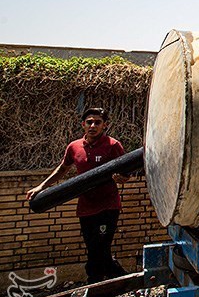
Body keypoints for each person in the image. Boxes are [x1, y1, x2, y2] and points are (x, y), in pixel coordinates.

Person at [26, 107, 129, 286]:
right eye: (89, 122)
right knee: (95, 250)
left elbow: (125, 174)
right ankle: (125, 283)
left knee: (100, 250)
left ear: (105, 125)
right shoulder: (74, 147)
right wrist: (42, 186)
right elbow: (62, 169)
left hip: (108, 206)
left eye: (97, 122)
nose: (93, 126)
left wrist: (122, 179)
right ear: (83, 124)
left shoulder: (113, 145)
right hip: (86, 208)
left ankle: (94, 288)